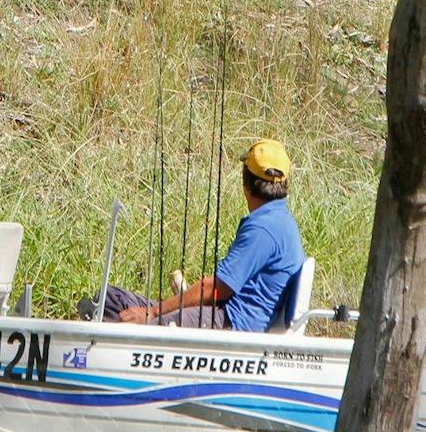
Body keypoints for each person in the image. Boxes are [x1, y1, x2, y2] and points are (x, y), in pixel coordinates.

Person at [115, 139, 304, 330]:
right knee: (115, 299)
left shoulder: (264, 229)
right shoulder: (278, 220)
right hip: (220, 312)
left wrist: (153, 312)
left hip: (230, 321)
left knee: (140, 325)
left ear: (246, 181)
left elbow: (218, 288)